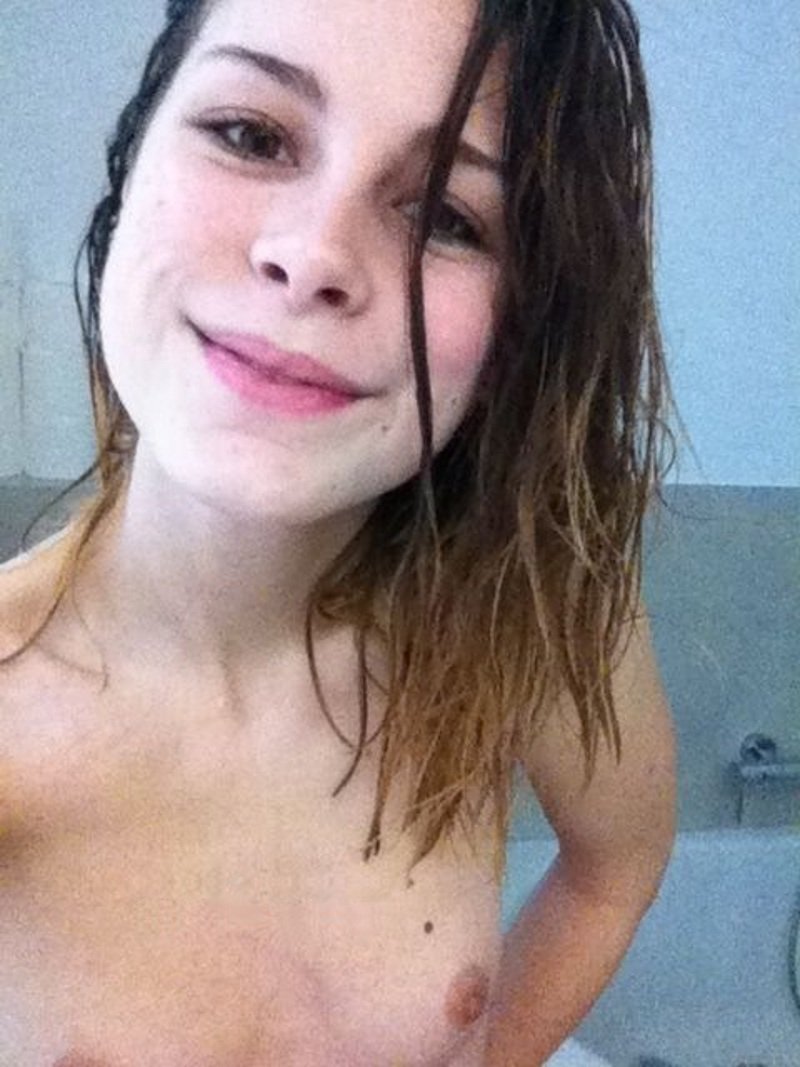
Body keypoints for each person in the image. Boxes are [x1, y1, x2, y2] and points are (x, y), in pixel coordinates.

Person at [0, 0, 678, 1063]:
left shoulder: (525, 613)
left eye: (447, 216)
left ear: (521, 327)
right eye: (250, 135)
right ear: (130, 161)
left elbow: (614, 867)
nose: (313, 254)